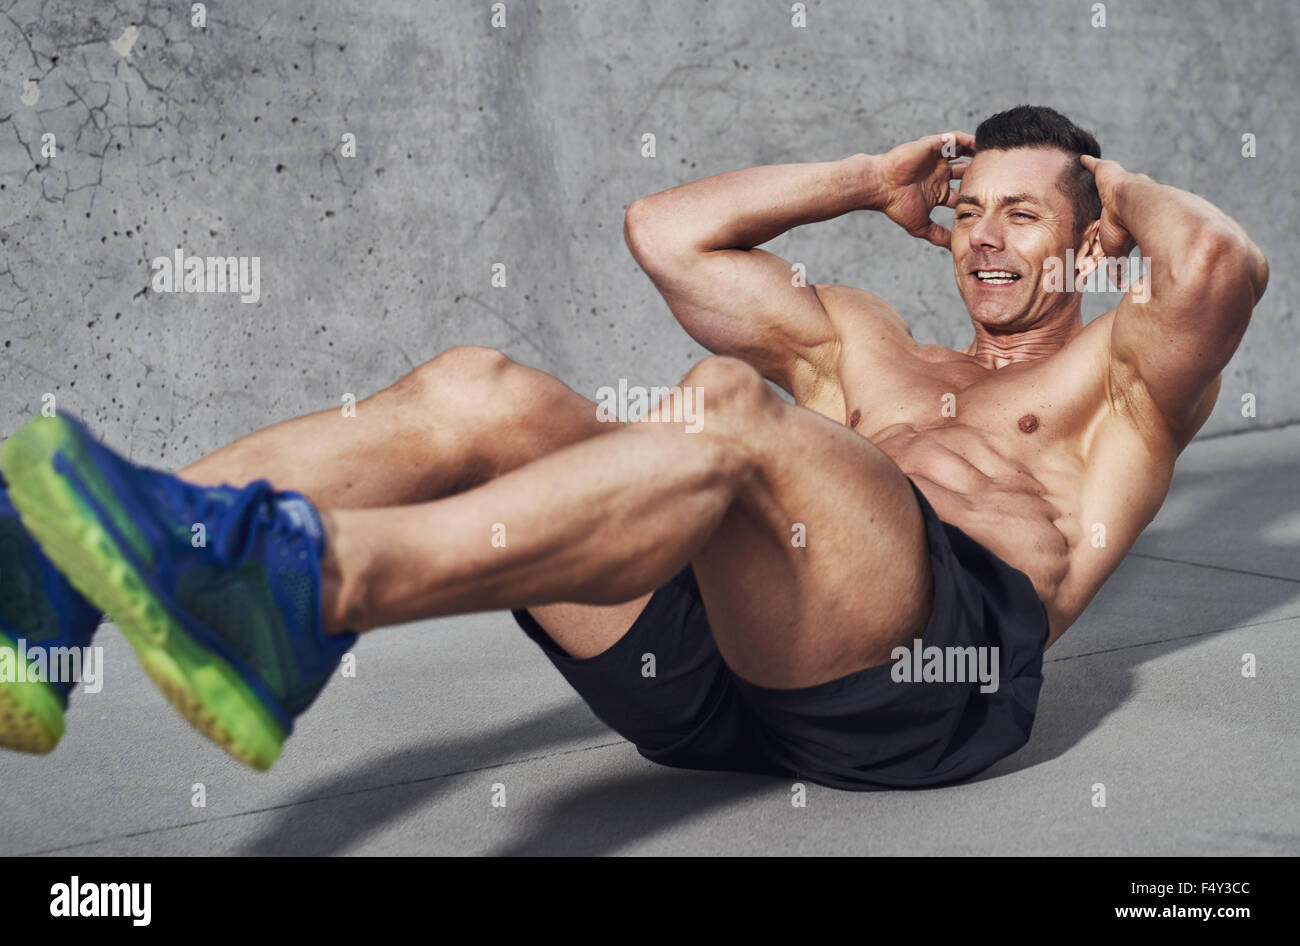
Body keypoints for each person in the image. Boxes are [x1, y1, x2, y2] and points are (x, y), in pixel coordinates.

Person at [0, 106, 1268, 790]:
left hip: (918, 688)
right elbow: (664, 232)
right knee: (480, 389)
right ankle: (72, 575)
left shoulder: (1123, 379)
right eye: (967, 210)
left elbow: (1217, 260)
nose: (983, 238)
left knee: (724, 407)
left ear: (1088, 242)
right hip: (716, 673)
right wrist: (854, 180)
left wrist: (1108, 180)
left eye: (1022, 215)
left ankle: (312, 587)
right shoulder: (865, 344)